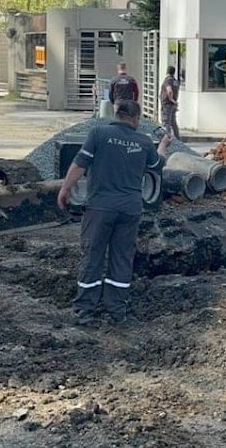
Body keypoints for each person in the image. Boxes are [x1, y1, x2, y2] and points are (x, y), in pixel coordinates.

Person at [57, 99, 172, 326]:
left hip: (100, 207)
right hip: (130, 209)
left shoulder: (98, 134)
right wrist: (164, 145)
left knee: (93, 256)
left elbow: (80, 163)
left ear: (116, 114)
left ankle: (85, 310)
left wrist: (65, 188)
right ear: (136, 119)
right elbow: (156, 164)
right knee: (121, 258)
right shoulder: (143, 141)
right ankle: (116, 311)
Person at [159, 65, 181, 140]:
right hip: (173, 105)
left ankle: (167, 139)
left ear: (167, 72)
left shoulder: (167, 80)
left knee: (166, 122)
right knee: (173, 123)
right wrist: (175, 101)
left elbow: (169, 90)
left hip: (167, 104)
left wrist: (171, 99)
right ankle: (178, 139)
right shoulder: (175, 81)